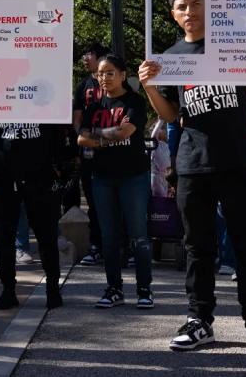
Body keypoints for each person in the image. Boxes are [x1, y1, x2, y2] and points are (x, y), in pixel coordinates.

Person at [138, 0, 246, 352]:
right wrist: (151, 87)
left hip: (236, 161)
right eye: (182, 6)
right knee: (197, 248)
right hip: (192, 165)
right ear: (173, 14)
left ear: (209, 7)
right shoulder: (169, 57)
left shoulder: (234, 44)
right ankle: (199, 320)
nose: (190, 11)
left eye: (197, 4)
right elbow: (172, 116)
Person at [78, 54, 153, 309]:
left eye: (110, 72)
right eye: (100, 73)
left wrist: (97, 137)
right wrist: (105, 136)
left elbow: (126, 131)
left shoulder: (135, 102)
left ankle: (144, 289)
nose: (104, 78)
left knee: (138, 236)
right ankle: (114, 288)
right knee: (109, 237)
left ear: (122, 75)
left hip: (133, 177)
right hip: (102, 178)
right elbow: (81, 139)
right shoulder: (93, 107)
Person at [0, 122, 65, 311]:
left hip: (40, 177)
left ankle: (53, 288)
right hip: (3, 178)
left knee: (46, 236)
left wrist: (60, 168)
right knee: (5, 238)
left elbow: (57, 129)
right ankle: (8, 290)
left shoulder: (43, 96)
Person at [71, 42, 110, 266]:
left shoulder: (117, 84)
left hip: (115, 151)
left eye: (89, 54)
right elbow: (77, 118)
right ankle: (96, 245)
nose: (85, 58)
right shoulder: (82, 85)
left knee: (116, 200)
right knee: (94, 200)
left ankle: (124, 247)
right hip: (88, 151)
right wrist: (83, 138)